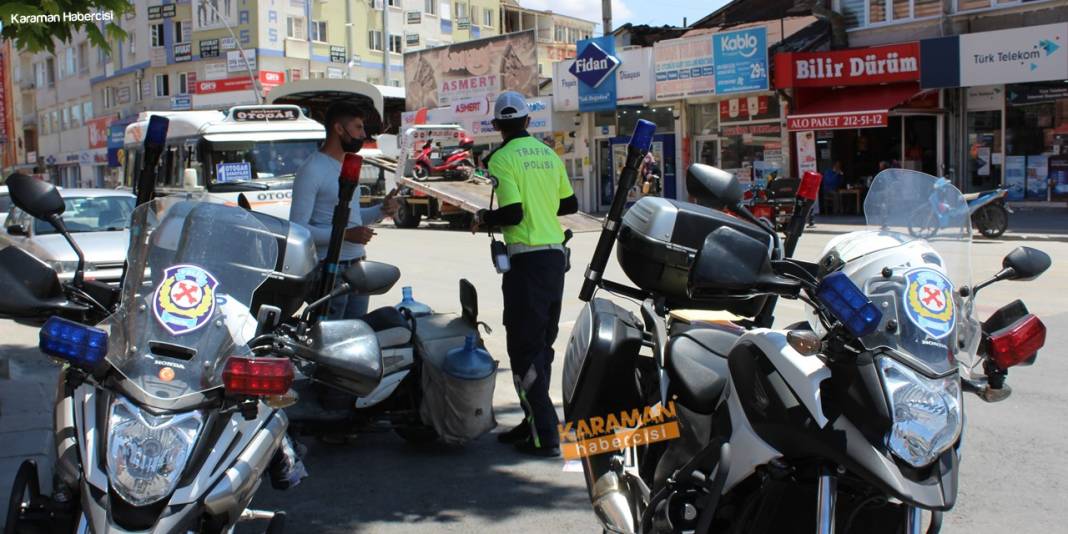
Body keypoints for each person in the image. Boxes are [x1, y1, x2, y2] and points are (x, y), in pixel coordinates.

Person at [471, 92, 579, 457]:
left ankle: (544, 433)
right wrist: (541, 205)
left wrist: (483, 217)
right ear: (528, 121)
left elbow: (513, 213)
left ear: (497, 125)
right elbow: (570, 204)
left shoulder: (501, 158)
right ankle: (532, 419)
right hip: (554, 259)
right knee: (541, 345)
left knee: (524, 347)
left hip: (527, 264)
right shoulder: (548, 154)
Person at [290, 101, 398, 319]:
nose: (363, 134)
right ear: (339, 128)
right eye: (358, 127)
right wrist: (346, 235)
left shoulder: (346, 166)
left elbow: (351, 217)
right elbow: (298, 230)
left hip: (357, 265)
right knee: (330, 334)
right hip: (329, 270)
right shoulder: (312, 169)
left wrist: (382, 210)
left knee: (355, 332)